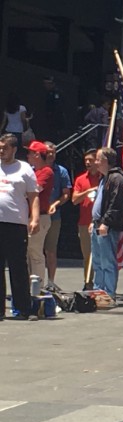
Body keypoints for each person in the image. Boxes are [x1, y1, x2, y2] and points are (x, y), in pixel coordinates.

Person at [0, 134, 39, 320]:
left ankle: (23, 308)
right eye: (0, 147)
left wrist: (35, 218)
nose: (1, 151)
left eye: (4, 148)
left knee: (18, 267)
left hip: (16, 223)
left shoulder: (24, 169)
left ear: (14, 149)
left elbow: (34, 196)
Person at [90, 148, 123, 300]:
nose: (95, 162)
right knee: (97, 260)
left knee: (107, 260)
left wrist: (106, 223)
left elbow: (115, 203)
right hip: (97, 224)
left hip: (107, 226)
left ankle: (109, 292)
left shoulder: (116, 178)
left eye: (98, 159)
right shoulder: (103, 179)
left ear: (106, 161)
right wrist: (94, 221)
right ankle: (99, 290)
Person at [43, 141, 71, 291]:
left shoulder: (61, 171)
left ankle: (51, 282)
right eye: (48, 152)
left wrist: (55, 204)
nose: (50, 155)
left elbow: (67, 194)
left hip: (54, 217)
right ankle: (34, 281)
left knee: (50, 250)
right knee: (32, 251)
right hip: (34, 215)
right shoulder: (33, 169)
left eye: (53, 152)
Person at [25, 141, 54, 282]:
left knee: (35, 253)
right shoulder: (33, 172)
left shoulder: (46, 171)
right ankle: (29, 286)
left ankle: (38, 288)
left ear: (37, 155)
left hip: (40, 217)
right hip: (29, 216)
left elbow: (34, 190)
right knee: (28, 253)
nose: (27, 155)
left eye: (30, 153)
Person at [71, 148, 100, 288]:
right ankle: (88, 282)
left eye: (91, 160)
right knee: (87, 255)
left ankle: (101, 285)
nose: (88, 162)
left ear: (97, 161)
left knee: (101, 256)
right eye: (86, 160)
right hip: (84, 223)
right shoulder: (81, 179)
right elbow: (74, 200)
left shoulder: (104, 178)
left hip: (101, 224)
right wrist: (88, 191)